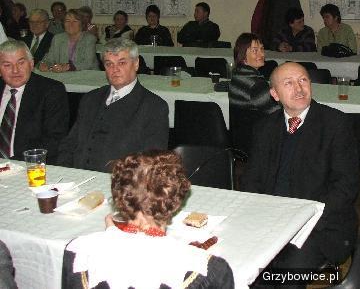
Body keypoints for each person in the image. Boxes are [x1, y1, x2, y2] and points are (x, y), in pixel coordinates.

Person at [241, 62, 359, 278]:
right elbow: (251, 180)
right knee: (242, 259)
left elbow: (345, 187)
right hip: (271, 220)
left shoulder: (335, 124)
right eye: (289, 83)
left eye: (303, 80)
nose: (299, 88)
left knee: (286, 269)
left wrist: (302, 219)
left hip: (319, 225)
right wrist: (262, 215)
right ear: (275, 94)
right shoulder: (265, 128)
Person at [62, 150, 234, 289]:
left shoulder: (78, 251)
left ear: (119, 197)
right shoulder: (209, 269)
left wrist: (112, 233)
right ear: (175, 202)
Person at [58, 38, 169, 171]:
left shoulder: (154, 107)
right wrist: (65, 172)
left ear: (136, 64)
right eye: (109, 64)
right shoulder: (90, 99)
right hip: (76, 177)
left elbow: (151, 161)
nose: (114, 69)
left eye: (122, 63)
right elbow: (69, 144)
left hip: (121, 180)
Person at [0, 40, 69, 163]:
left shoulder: (51, 91)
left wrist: (10, 164)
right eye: (7, 65)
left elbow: (55, 139)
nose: (15, 70)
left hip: (28, 164)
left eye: (21, 63)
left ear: (31, 64)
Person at [228, 33, 279, 114]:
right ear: (243, 55)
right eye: (255, 51)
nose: (262, 54)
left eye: (262, 49)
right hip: (258, 122)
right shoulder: (256, 84)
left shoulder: (236, 75)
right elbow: (276, 114)